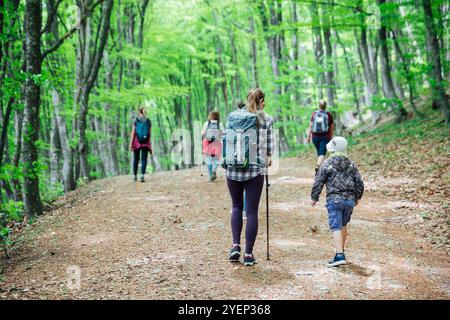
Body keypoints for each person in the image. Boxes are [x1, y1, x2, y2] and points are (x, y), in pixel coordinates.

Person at [226, 89, 273, 266]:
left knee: (236, 206)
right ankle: (248, 254)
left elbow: (227, 140)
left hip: (233, 169)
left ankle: (235, 245)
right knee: (251, 211)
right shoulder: (266, 119)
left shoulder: (233, 116)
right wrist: (267, 158)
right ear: (261, 101)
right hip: (254, 170)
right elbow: (269, 149)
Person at [310, 136, 364, 267]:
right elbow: (359, 182)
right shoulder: (351, 164)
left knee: (335, 226)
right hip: (349, 201)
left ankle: (339, 255)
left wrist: (314, 197)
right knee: (343, 224)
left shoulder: (327, 163)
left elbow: (319, 181)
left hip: (334, 200)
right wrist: (357, 197)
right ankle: (341, 251)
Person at [307, 100, 334, 174]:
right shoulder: (328, 114)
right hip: (325, 137)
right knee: (322, 153)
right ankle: (318, 166)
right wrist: (331, 137)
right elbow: (331, 127)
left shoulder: (314, 114)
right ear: (326, 106)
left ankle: (319, 167)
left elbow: (310, 126)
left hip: (315, 137)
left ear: (319, 106)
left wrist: (308, 136)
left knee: (319, 152)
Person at [130, 107, 152, 182]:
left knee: (136, 159)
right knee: (144, 159)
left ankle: (135, 176)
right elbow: (149, 133)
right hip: (145, 142)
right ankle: (142, 175)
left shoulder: (135, 120)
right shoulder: (148, 121)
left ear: (139, 112)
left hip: (137, 142)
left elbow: (133, 133)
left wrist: (131, 144)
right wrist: (149, 142)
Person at [201, 111, 224, 181]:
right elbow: (223, 133)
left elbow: (203, 133)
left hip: (208, 143)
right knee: (216, 159)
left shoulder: (207, 123)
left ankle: (211, 175)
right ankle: (214, 170)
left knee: (209, 160)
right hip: (217, 143)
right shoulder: (219, 124)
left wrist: (203, 137)